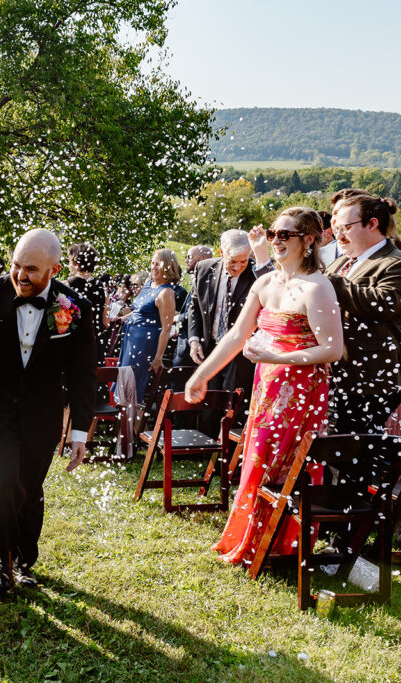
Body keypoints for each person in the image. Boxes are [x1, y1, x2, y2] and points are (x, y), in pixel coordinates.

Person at [185, 207, 343, 566]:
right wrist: (202, 374)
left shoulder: (317, 287)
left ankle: (279, 545)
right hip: (267, 387)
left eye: (284, 235)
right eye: (273, 233)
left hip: (302, 392)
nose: (275, 241)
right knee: (257, 456)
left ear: (308, 240)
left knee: (285, 466)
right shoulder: (265, 282)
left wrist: (277, 357)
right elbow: (237, 336)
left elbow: (332, 349)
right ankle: (247, 537)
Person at [0, 229, 97, 593]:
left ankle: (24, 559)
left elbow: (83, 373)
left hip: (42, 413)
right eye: (16, 265)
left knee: (30, 488)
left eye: (31, 269)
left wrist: (79, 431)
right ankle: (2, 556)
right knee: (4, 481)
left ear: (55, 269)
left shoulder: (74, 306)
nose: (20, 275)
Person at [324, 194, 401, 433]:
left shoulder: (393, 263)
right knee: (332, 461)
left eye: (346, 227)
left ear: (372, 224)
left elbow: (382, 304)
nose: (339, 235)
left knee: (365, 463)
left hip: (373, 385)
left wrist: (329, 281)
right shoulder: (339, 264)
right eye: (336, 228)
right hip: (335, 380)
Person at [187, 229, 274, 400]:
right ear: (222, 252)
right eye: (232, 261)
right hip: (209, 348)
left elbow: (272, 293)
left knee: (233, 405)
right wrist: (194, 339)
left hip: (240, 355)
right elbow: (195, 306)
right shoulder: (204, 269)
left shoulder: (257, 274)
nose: (237, 267)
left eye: (243, 261)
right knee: (206, 405)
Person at [117, 249, 179, 402]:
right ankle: (122, 421)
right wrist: (120, 319)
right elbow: (138, 311)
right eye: (152, 263)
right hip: (130, 341)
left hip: (145, 345)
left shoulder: (166, 293)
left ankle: (132, 423)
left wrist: (158, 357)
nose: (153, 267)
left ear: (168, 266)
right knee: (123, 383)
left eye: (158, 264)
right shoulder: (148, 284)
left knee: (134, 387)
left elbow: (166, 328)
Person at [65, 242, 108, 365]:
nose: (68, 265)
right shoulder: (102, 288)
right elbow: (105, 323)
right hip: (95, 342)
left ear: (76, 262)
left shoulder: (66, 286)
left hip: (73, 342)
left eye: (69, 262)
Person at [171, 245, 213, 369]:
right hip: (183, 345)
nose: (186, 260)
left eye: (189, 257)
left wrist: (176, 318)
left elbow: (199, 313)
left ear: (203, 259)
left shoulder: (208, 283)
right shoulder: (197, 281)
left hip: (192, 349)